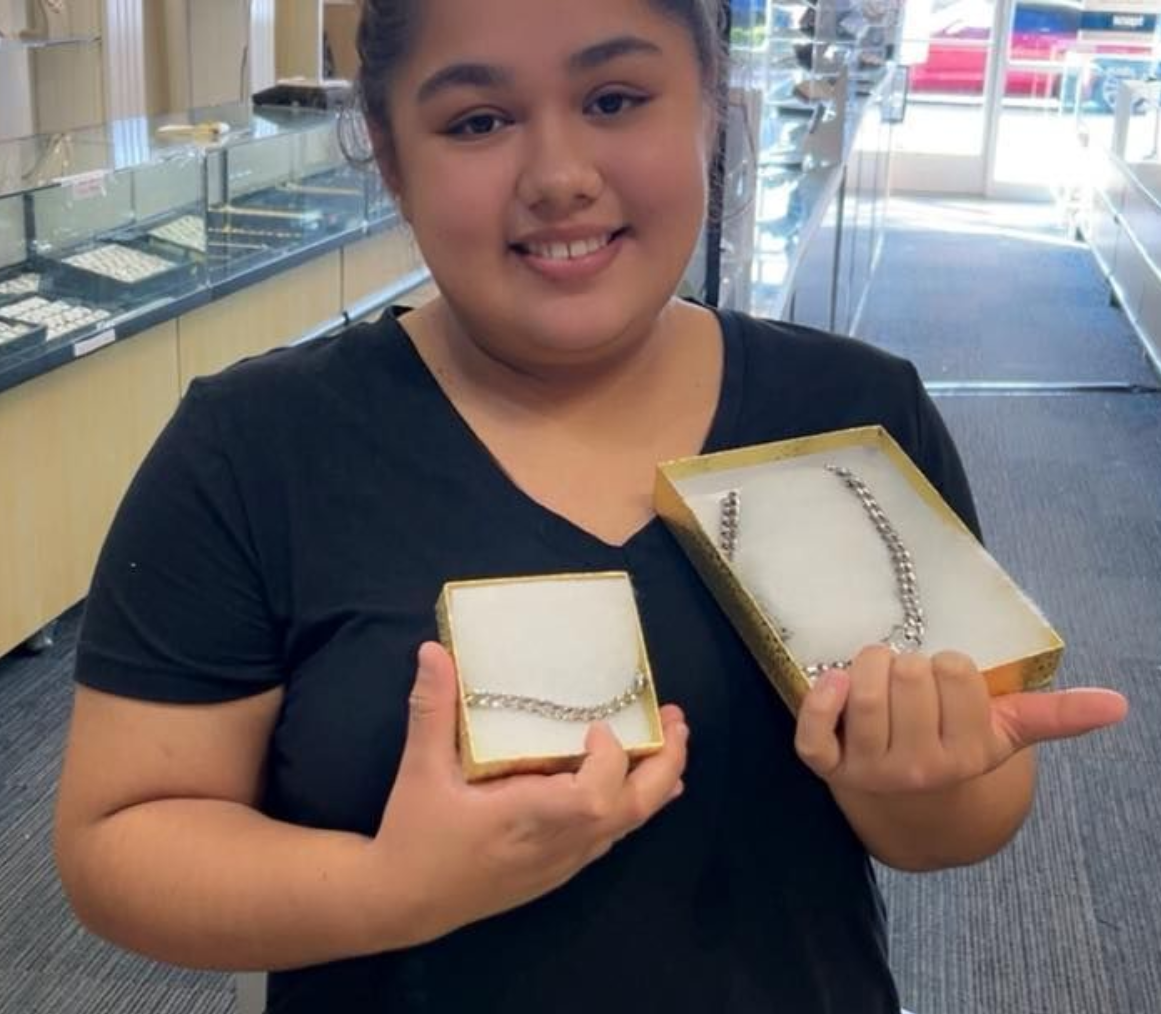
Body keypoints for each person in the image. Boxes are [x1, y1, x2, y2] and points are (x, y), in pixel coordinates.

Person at [53, 1, 1128, 1011]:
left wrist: (914, 782)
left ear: (709, 103)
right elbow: (119, 843)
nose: (561, 176)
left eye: (615, 99)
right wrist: (391, 889)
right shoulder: (255, 448)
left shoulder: (855, 412)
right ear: (391, 156)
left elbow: (972, 812)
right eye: (478, 120)